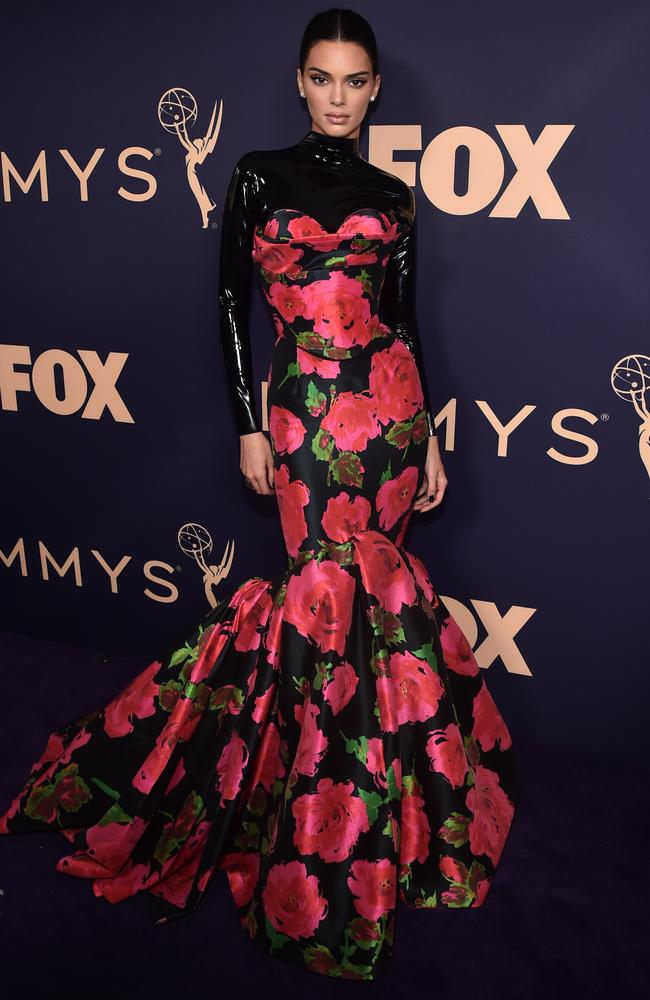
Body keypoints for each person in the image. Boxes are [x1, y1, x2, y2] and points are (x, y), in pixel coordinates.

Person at [0, 7, 520, 982]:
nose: (335, 95)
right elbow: (225, 305)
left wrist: (433, 432)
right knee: (318, 599)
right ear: (298, 82)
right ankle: (315, 822)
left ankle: (381, 810)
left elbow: (402, 323)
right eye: (319, 77)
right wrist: (249, 423)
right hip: (300, 418)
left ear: (372, 90)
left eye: (352, 80)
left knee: (377, 603)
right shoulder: (252, 173)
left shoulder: (394, 193)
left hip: (389, 419)